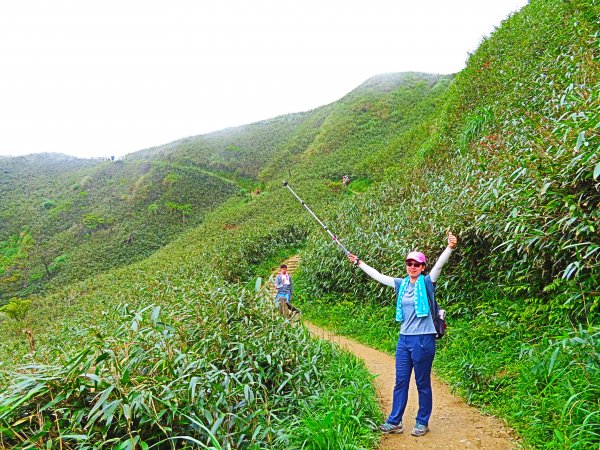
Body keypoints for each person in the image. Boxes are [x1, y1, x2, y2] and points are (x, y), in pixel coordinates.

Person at [347, 232, 458, 437]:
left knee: (422, 382)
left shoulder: (427, 283)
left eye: (416, 264)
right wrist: (359, 263)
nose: (412, 267)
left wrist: (449, 248)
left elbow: (439, 267)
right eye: (409, 263)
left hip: (424, 339)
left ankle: (422, 422)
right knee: (401, 381)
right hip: (404, 339)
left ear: (423, 267)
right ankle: (395, 421)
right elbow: (378, 276)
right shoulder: (401, 284)